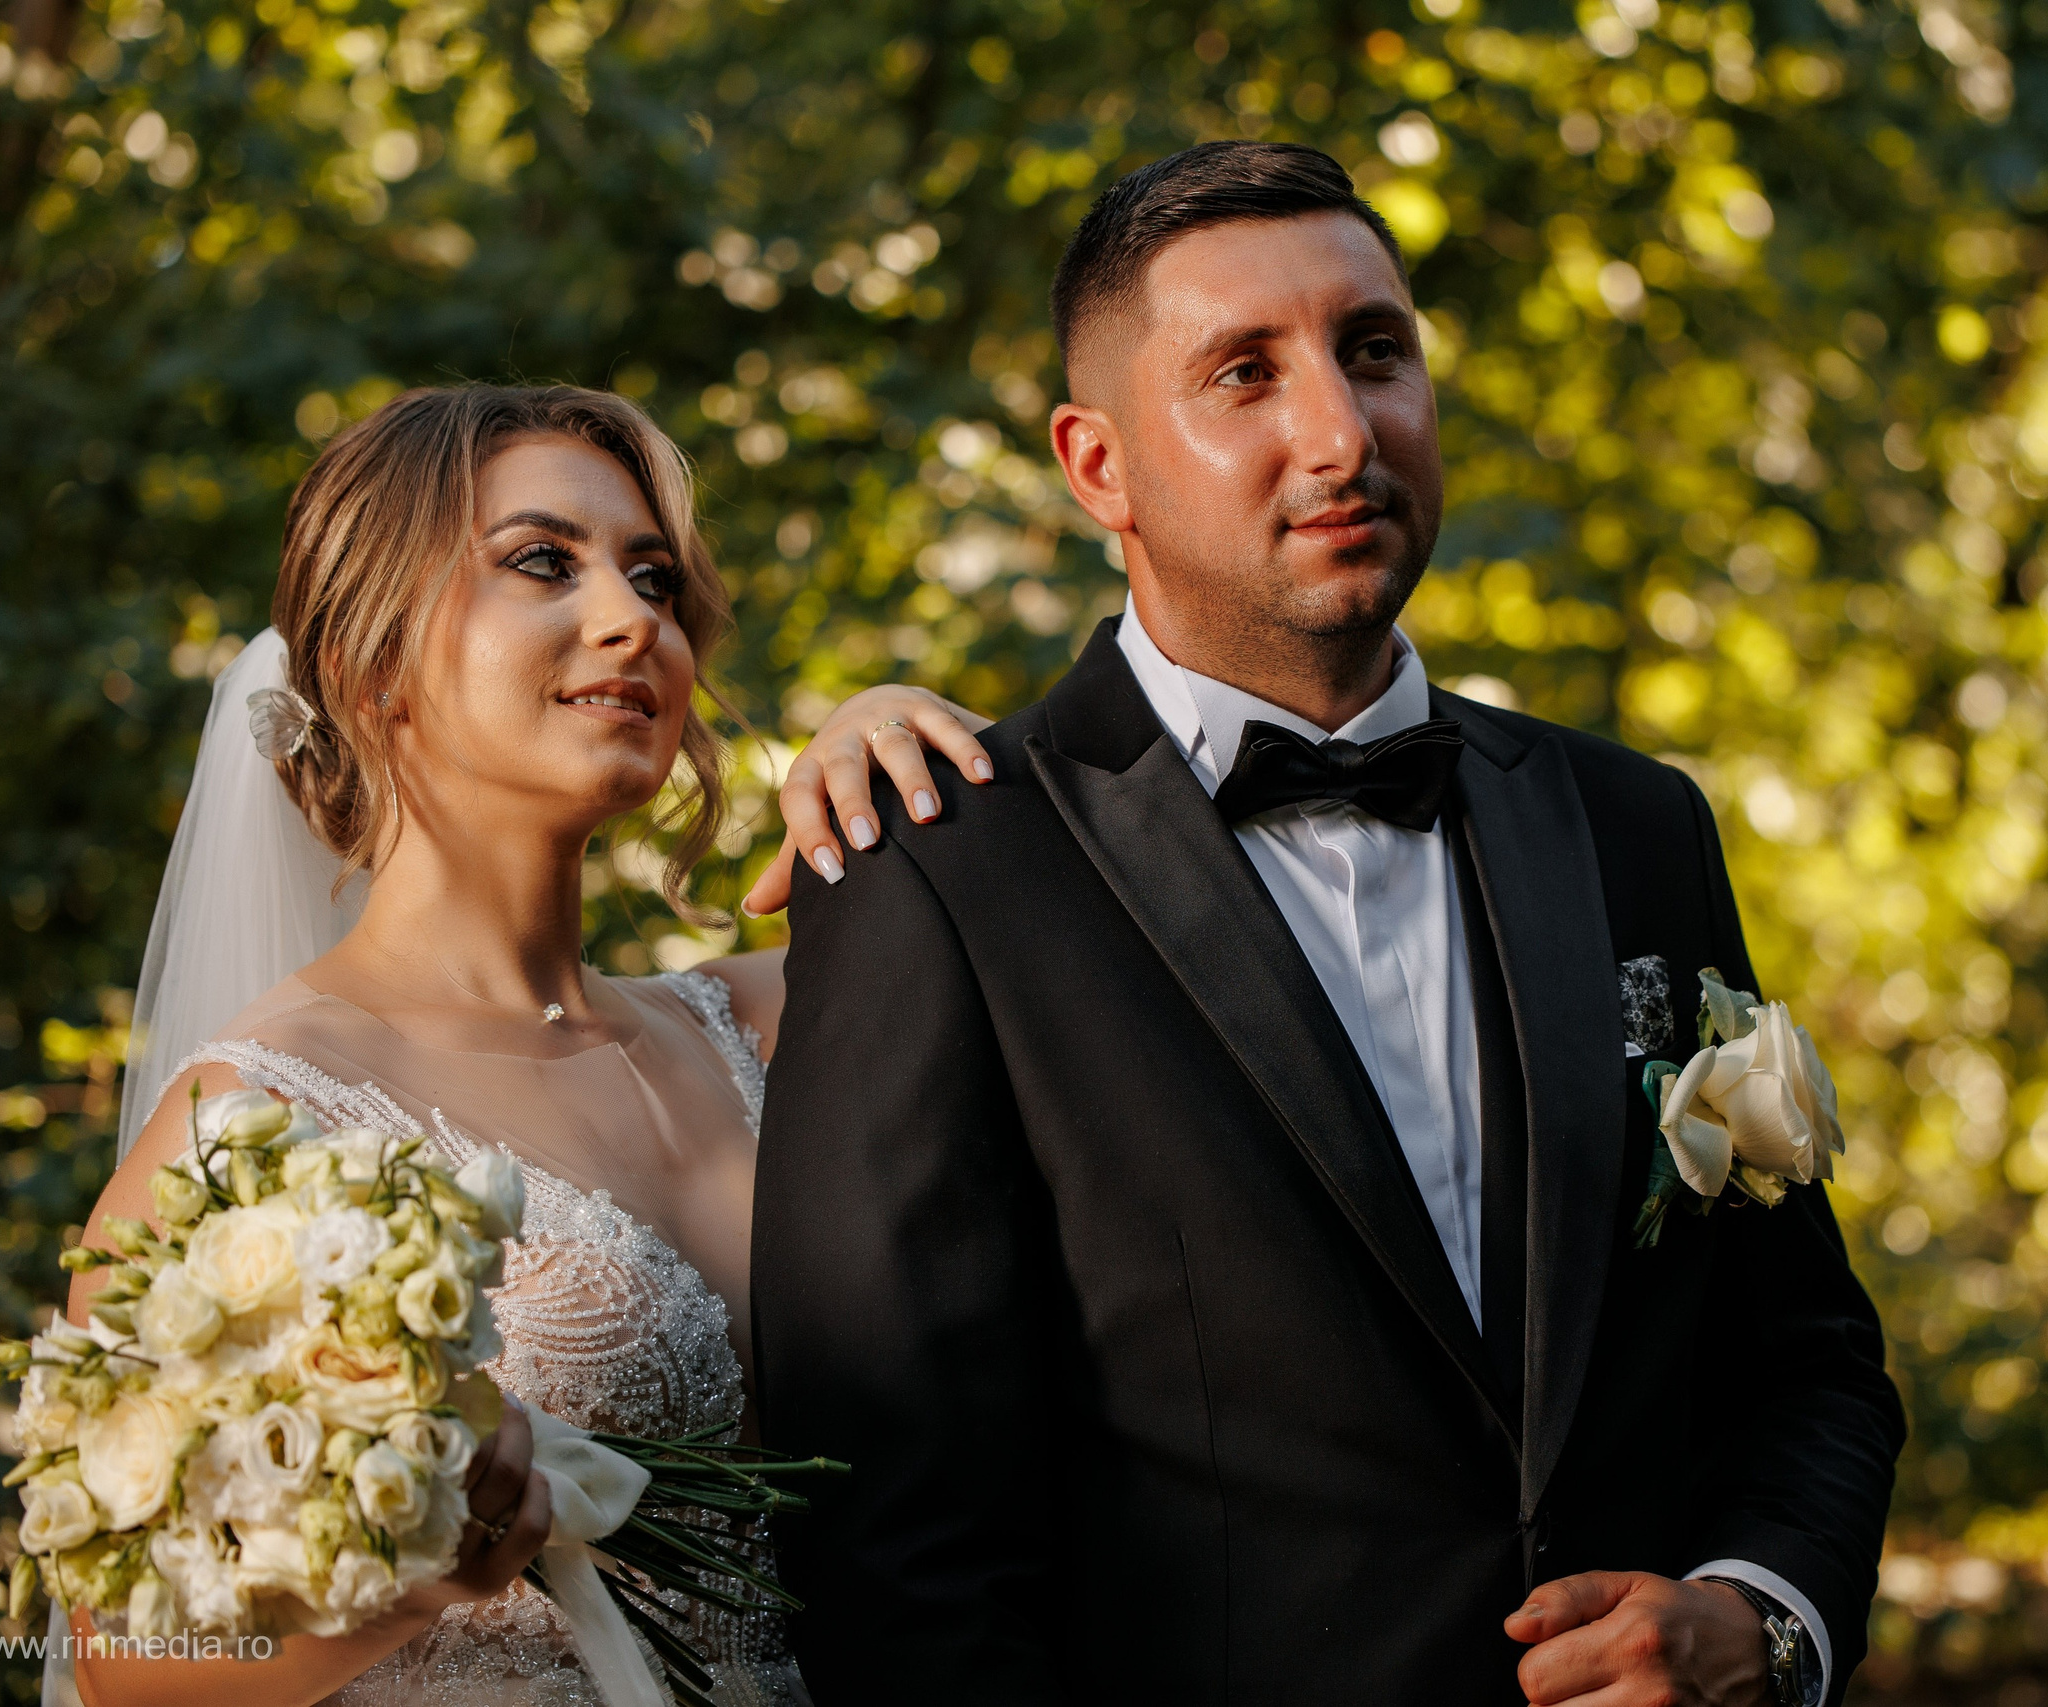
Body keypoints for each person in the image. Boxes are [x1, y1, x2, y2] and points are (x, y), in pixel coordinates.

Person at [752, 142, 1904, 1706]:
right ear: (1098, 468)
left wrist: (1760, 1623)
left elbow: (1808, 1365)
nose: (1343, 433)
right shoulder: (938, 874)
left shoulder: (1637, 828)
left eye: (1374, 352)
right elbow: (889, 1549)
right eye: (1245, 373)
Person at [62, 382, 989, 1707]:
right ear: (372, 659)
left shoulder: (775, 1020)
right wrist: (417, 1564)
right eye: (544, 562)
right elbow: (128, 1660)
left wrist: (896, 723)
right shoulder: (253, 1127)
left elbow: (1068, 969)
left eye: (654, 579)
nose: (635, 620)